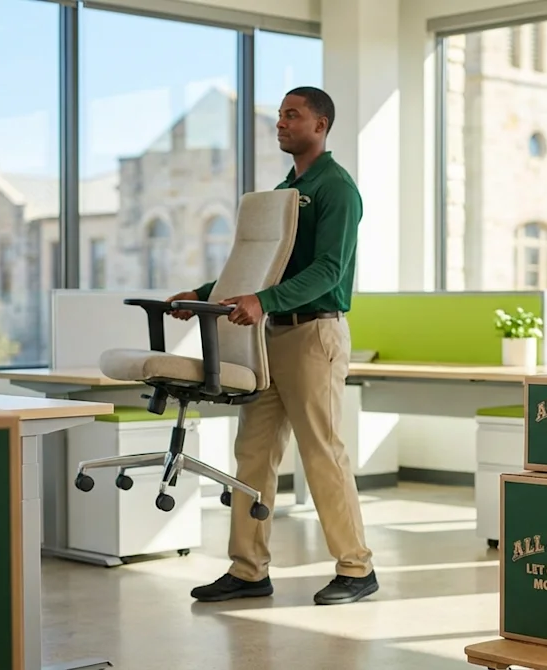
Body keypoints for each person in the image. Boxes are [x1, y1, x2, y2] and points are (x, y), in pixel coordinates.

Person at [168, 86, 378, 607]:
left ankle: (357, 568)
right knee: (253, 453)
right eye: (280, 114)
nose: (281, 122)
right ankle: (248, 569)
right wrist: (200, 296)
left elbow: (329, 270)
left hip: (314, 336)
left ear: (321, 125)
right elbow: (258, 266)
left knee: (322, 453)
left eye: (293, 115)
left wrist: (264, 300)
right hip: (269, 336)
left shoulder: (337, 189)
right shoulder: (286, 189)